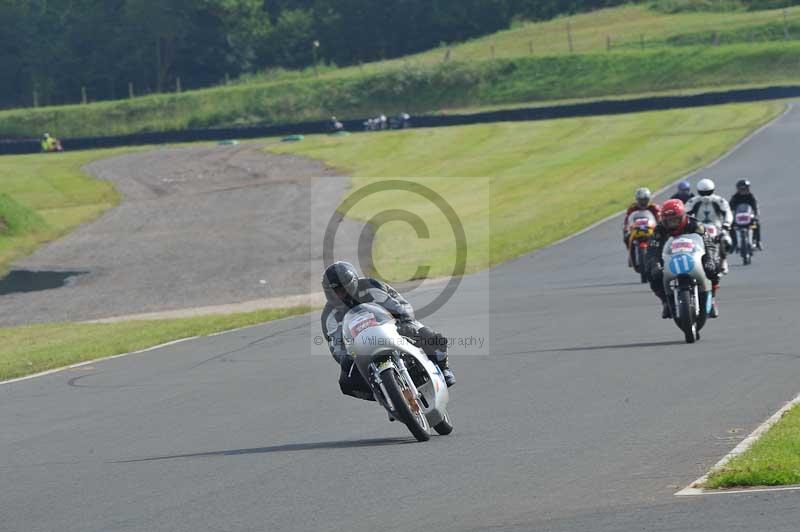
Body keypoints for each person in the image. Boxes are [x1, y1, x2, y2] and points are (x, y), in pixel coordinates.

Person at [320, 261, 455, 401]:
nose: (338, 295)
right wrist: (344, 357)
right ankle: (381, 394)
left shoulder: (370, 286)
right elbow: (335, 345)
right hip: (360, 346)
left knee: (431, 337)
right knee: (346, 382)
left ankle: (444, 368)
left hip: (391, 325)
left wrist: (404, 321)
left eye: (341, 290)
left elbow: (397, 306)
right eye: (333, 292)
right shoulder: (329, 315)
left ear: (352, 283)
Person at [646, 199, 722, 319]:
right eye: (669, 221)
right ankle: (665, 301)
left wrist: (709, 259)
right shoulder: (659, 229)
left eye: (675, 220)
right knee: (651, 273)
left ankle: (712, 298)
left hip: (695, 255)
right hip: (670, 257)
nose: (672, 224)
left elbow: (709, 244)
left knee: (714, 267)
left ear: (682, 217)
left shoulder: (696, 225)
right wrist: (654, 264)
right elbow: (652, 249)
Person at [685, 178, 732, 273]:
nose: (706, 196)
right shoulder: (692, 201)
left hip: (717, 227)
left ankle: (723, 261)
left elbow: (728, 212)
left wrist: (727, 223)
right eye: (703, 193)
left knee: (726, 240)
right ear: (699, 191)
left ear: (713, 190)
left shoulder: (720, 201)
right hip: (698, 228)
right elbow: (685, 214)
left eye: (708, 192)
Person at [729, 179, 762, 250]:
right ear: (738, 189)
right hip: (738, 217)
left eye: (746, 189)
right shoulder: (735, 197)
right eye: (742, 189)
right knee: (731, 227)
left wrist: (756, 215)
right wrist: (730, 216)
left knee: (756, 225)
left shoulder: (751, 197)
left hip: (748, 216)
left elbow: (756, 207)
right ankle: (734, 242)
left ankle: (758, 241)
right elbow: (729, 208)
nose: (744, 190)